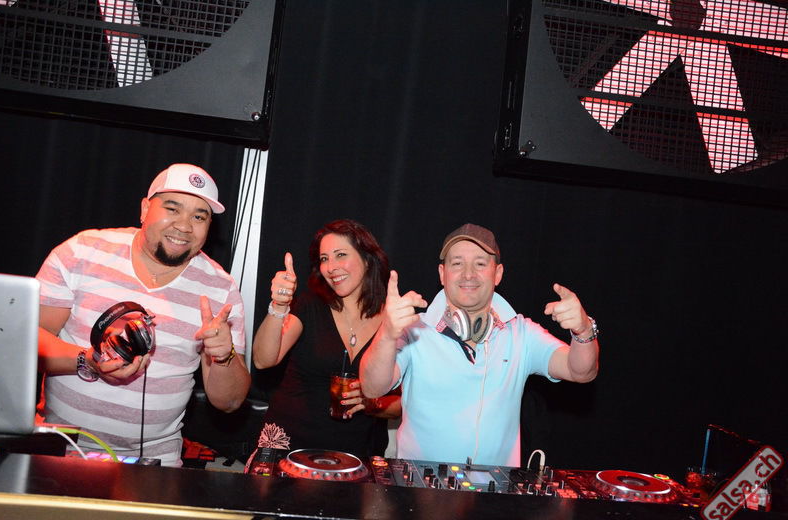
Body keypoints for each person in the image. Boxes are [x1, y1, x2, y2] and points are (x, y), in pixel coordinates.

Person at [36, 163, 251, 467]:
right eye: (172, 209)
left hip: (155, 460)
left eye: (199, 216)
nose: (184, 226)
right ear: (145, 209)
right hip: (60, 446)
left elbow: (229, 402)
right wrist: (88, 360)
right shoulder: (81, 251)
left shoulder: (220, 289)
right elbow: (27, 343)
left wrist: (223, 355)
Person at [360, 223, 599, 467]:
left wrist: (583, 330)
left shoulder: (521, 333)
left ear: (498, 273)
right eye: (457, 263)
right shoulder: (414, 329)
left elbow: (581, 371)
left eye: (480, 264)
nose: (468, 274)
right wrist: (387, 334)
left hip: (496, 488)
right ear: (442, 273)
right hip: (418, 486)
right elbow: (371, 387)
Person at [249, 219, 400, 461]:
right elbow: (263, 360)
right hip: (288, 447)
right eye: (324, 259)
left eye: (341, 255)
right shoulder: (309, 305)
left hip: (356, 455)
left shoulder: (393, 319)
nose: (331, 267)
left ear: (367, 258)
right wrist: (279, 305)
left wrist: (372, 402)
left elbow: (406, 402)